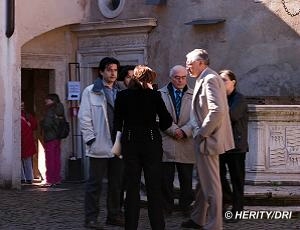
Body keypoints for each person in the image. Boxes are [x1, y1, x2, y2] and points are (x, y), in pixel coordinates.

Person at [113, 65, 173, 230]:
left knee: (132, 188)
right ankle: (158, 226)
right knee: (154, 188)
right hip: (151, 143)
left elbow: (117, 122)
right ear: (150, 79)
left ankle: (130, 226)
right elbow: (167, 121)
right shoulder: (154, 96)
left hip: (130, 143)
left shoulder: (122, 95)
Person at [181, 49, 235, 230]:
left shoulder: (210, 79)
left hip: (208, 139)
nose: (187, 67)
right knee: (203, 181)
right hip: (205, 138)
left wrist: (203, 132)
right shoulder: (204, 77)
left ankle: (214, 225)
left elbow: (217, 110)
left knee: (211, 185)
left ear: (201, 63)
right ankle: (198, 218)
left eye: (189, 63)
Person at [78, 57, 124, 229]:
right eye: (109, 70)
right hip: (99, 143)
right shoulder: (91, 91)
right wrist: (91, 139)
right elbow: (84, 117)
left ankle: (113, 215)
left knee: (116, 184)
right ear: (101, 71)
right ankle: (91, 218)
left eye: (115, 70)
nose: (113, 73)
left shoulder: (121, 92)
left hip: (118, 144)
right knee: (94, 184)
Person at [158, 65, 195, 217]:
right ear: (171, 77)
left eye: (183, 77)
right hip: (167, 139)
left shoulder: (194, 94)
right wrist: (174, 131)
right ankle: (166, 207)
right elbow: (158, 116)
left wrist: (185, 131)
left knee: (186, 177)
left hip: (187, 141)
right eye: (177, 77)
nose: (180, 80)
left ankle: (185, 207)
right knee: (166, 178)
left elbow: (198, 118)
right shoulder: (160, 94)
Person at [219, 69, 249, 223]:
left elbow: (232, 116)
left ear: (233, 82)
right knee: (219, 175)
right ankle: (227, 198)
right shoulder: (220, 98)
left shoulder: (240, 98)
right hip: (222, 145)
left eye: (224, 80)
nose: (221, 83)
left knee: (237, 180)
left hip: (236, 147)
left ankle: (237, 211)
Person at [40, 93, 65, 187]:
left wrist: (42, 123)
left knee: (50, 159)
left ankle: (50, 179)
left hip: (50, 137)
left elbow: (47, 124)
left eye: (48, 99)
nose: (45, 101)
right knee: (56, 158)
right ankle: (57, 178)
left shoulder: (50, 110)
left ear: (52, 100)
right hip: (58, 137)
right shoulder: (60, 109)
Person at [21, 100, 38, 184]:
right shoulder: (28, 116)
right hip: (27, 140)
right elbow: (35, 126)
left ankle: (22, 177)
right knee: (26, 160)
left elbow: (34, 125)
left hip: (24, 140)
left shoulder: (26, 116)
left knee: (21, 160)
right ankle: (28, 177)